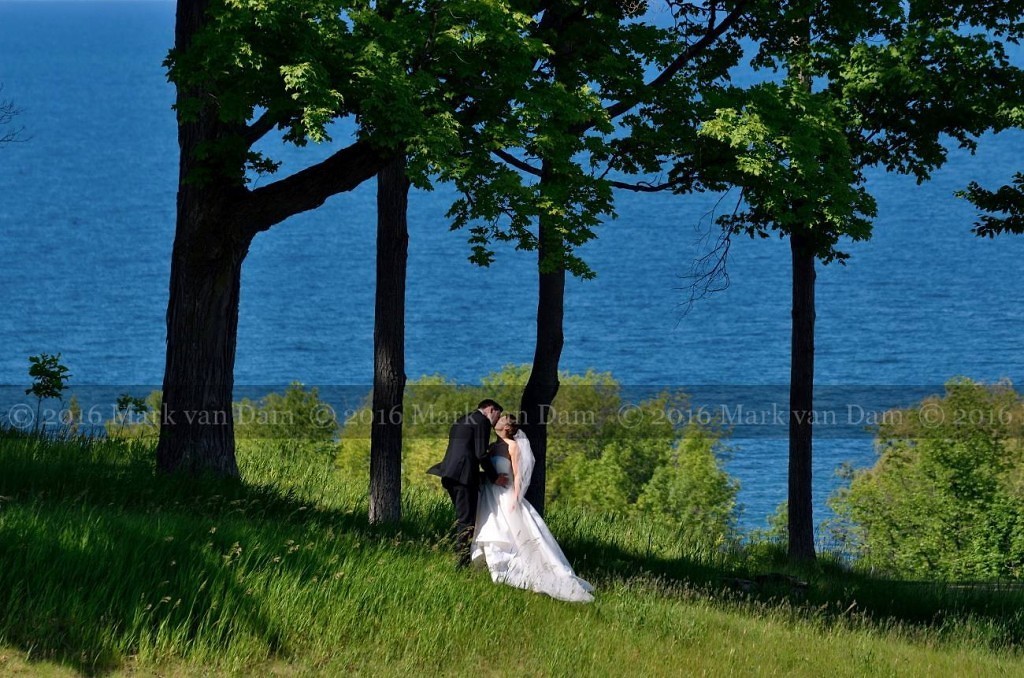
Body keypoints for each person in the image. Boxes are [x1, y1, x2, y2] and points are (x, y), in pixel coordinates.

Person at [471, 413, 594, 602]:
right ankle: (494, 570)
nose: (497, 421)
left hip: (505, 495)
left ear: (507, 427)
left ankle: (512, 572)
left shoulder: (513, 447)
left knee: (509, 534)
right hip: (490, 494)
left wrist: (516, 496)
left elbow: (518, 474)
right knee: (491, 529)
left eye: (502, 420)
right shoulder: (492, 447)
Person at [428, 399, 509, 567]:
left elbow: (463, 451)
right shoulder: (482, 422)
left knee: (462, 517)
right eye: (497, 415)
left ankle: (462, 557)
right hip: (463, 478)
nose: (495, 422)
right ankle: (461, 564)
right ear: (491, 410)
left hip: (449, 474)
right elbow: (480, 454)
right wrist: (495, 477)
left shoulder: (463, 419)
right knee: (467, 521)